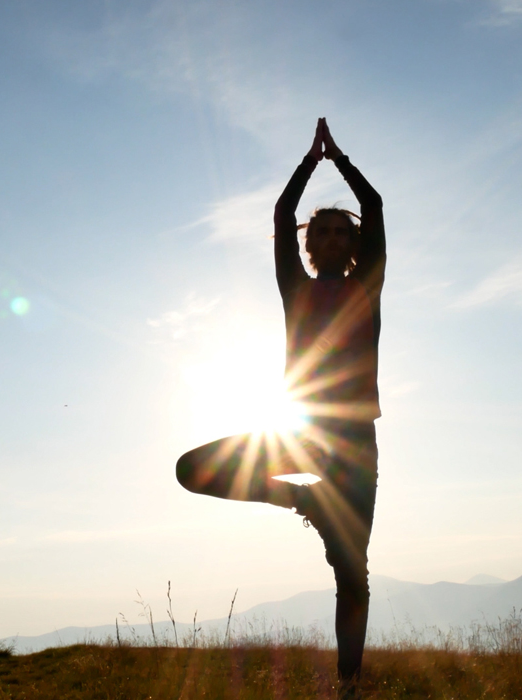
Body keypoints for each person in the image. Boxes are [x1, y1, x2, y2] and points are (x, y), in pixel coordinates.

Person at [176, 118, 384, 693]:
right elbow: (279, 214)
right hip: (299, 433)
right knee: (192, 469)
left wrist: (337, 158)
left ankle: (348, 685)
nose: (338, 240)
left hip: (355, 447)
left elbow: (376, 204)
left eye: (346, 232)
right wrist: (307, 163)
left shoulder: (369, 285)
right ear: (310, 245)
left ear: (357, 243)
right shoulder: (295, 287)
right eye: (327, 233)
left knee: (353, 579)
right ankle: (298, 497)